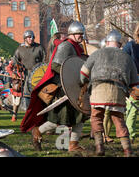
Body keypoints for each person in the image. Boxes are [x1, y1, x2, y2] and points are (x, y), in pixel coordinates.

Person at [21, 21, 88, 153]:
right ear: (72, 34)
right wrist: (70, 74)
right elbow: (55, 65)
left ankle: (73, 144)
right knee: (57, 120)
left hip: (74, 89)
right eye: (79, 34)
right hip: (63, 89)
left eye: (82, 34)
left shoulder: (76, 47)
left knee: (80, 117)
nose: (81, 36)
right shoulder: (66, 46)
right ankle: (37, 131)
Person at [80, 30, 138, 157]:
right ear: (119, 43)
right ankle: (127, 150)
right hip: (118, 93)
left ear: (107, 42)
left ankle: (99, 146)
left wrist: (83, 83)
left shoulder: (96, 54)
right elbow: (134, 81)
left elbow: (83, 73)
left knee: (96, 118)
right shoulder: (127, 57)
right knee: (118, 120)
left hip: (98, 90)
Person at [12, 30, 46, 112]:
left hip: (38, 74)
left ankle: (39, 111)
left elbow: (45, 60)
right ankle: (28, 112)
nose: (31, 39)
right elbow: (14, 59)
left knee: (39, 93)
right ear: (25, 38)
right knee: (27, 94)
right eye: (29, 37)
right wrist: (18, 66)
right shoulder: (20, 49)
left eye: (32, 37)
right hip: (26, 74)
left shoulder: (39, 48)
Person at [123, 23, 139, 144]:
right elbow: (123, 61)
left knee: (133, 110)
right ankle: (131, 134)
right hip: (135, 82)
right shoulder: (131, 46)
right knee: (132, 109)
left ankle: (131, 134)